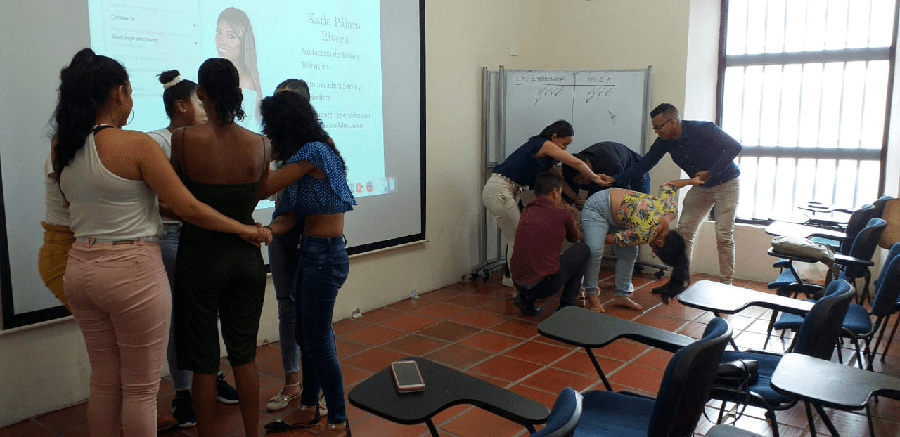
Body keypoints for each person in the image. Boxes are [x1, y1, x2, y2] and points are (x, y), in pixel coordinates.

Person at [53, 48, 267, 437]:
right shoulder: (136, 145)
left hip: (81, 268)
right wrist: (245, 229)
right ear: (119, 93)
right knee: (140, 389)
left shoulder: (62, 146)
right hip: (132, 271)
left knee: (104, 380)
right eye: (131, 91)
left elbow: (72, 207)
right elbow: (189, 207)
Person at [170, 58, 271, 437]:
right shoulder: (261, 145)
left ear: (201, 93)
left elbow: (177, 199)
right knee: (244, 356)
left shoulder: (184, 140)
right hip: (246, 257)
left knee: (203, 362)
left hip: (200, 256)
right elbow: (254, 196)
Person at [259, 89, 356, 437]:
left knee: (317, 341)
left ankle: (338, 419)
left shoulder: (314, 152)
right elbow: (287, 218)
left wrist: (258, 152)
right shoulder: (302, 163)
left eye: (270, 129)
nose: (269, 134)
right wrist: (263, 231)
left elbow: (263, 187)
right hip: (311, 252)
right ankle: (308, 408)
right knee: (305, 335)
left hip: (324, 256)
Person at [146, 70, 239, 429]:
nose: (204, 108)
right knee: (178, 317)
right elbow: (155, 200)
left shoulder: (204, 139)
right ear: (181, 106)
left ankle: (211, 377)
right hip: (171, 237)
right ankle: (184, 393)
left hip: (202, 235)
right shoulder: (157, 142)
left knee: (205, 312)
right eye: (199, 103)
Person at [608, 103, 741, 285]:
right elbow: (644, 164)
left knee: (723, 235)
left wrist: (711, 171)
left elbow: (735, 147)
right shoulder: (664, 141)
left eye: (658, 127)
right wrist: (614, 179)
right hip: (701, 187)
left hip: (727, 183)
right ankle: (681, 280)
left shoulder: (704, 129)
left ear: (672, 121)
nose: (657, 132)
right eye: (654, 128)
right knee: (684, 231)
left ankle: (727, 283)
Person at [482, 120, 609, 287]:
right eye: (564, 144)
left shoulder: (545, 159)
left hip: (509, 192)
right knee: (517, 239)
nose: (564, 149)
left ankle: (516, 278)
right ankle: (516, 282)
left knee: (519, 237)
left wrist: (576, 200)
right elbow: (576, 163)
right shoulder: (543, 144)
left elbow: (559, 180)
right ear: (554, 137)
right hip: (500, 190)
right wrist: (595, 178)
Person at [263, 77, 321, 413]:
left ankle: (319, 389)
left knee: (313, 313)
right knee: (286, 308)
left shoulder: (318, 147)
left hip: (311, 234)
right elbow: (270, 190)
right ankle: (292, 381)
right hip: (281, 231)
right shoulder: (274, 146)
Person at [580, 177, 702, 312]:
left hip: (619, 217)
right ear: (660, 243)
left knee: (630, 252)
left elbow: (669, 185)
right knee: (595, 250)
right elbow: (608, 239)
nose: (653, 251)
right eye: (656, 253)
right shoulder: (646, 233)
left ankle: (622, 295)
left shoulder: (671, 212)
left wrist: (692, 181)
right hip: (597, 208)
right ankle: (591, 294)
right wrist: (588, 236)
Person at [508, 172, 590, 316]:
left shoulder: (527, 210)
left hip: (518, 283)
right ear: (555, 192)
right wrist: (573, 220)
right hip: (544, 286)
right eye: (561, 194)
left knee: (537, 257)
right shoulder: (561, 212)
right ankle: (566, 307)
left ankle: (526, 301)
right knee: (583, 250)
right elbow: (573, 239)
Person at [215, 7, 261, 127]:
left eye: (231, 36)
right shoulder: (218, 76)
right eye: (219, 32)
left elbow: (244, 129)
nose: (221, 41)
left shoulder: (246, 84)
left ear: (243, 42)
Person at [561, 141, 650, 199]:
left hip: (637, 174)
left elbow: (622, 196)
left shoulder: (610, 163)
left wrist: (589, 203)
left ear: (587, 167)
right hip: (610, 173)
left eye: (582, 178)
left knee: (637, 209)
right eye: (577, 181)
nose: (581, 183)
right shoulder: (572, 168)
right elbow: (568, 197)